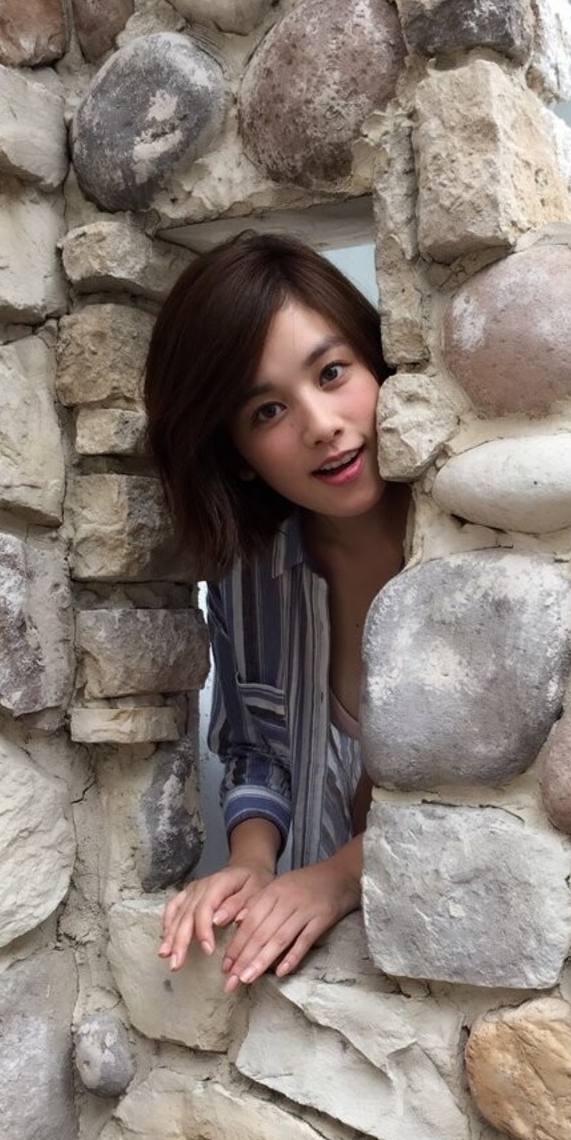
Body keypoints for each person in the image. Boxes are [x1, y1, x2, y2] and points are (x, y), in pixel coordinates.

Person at [143, 232, 409, 992]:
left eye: (332, 372)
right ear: (236, 453)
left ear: (377, 359)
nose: (320, 424)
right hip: (320, 973)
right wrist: (250, 862)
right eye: (267, 410)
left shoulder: (471, 534)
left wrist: (341, 876)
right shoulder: (247, 576)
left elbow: (485, 781)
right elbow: (256, 749)